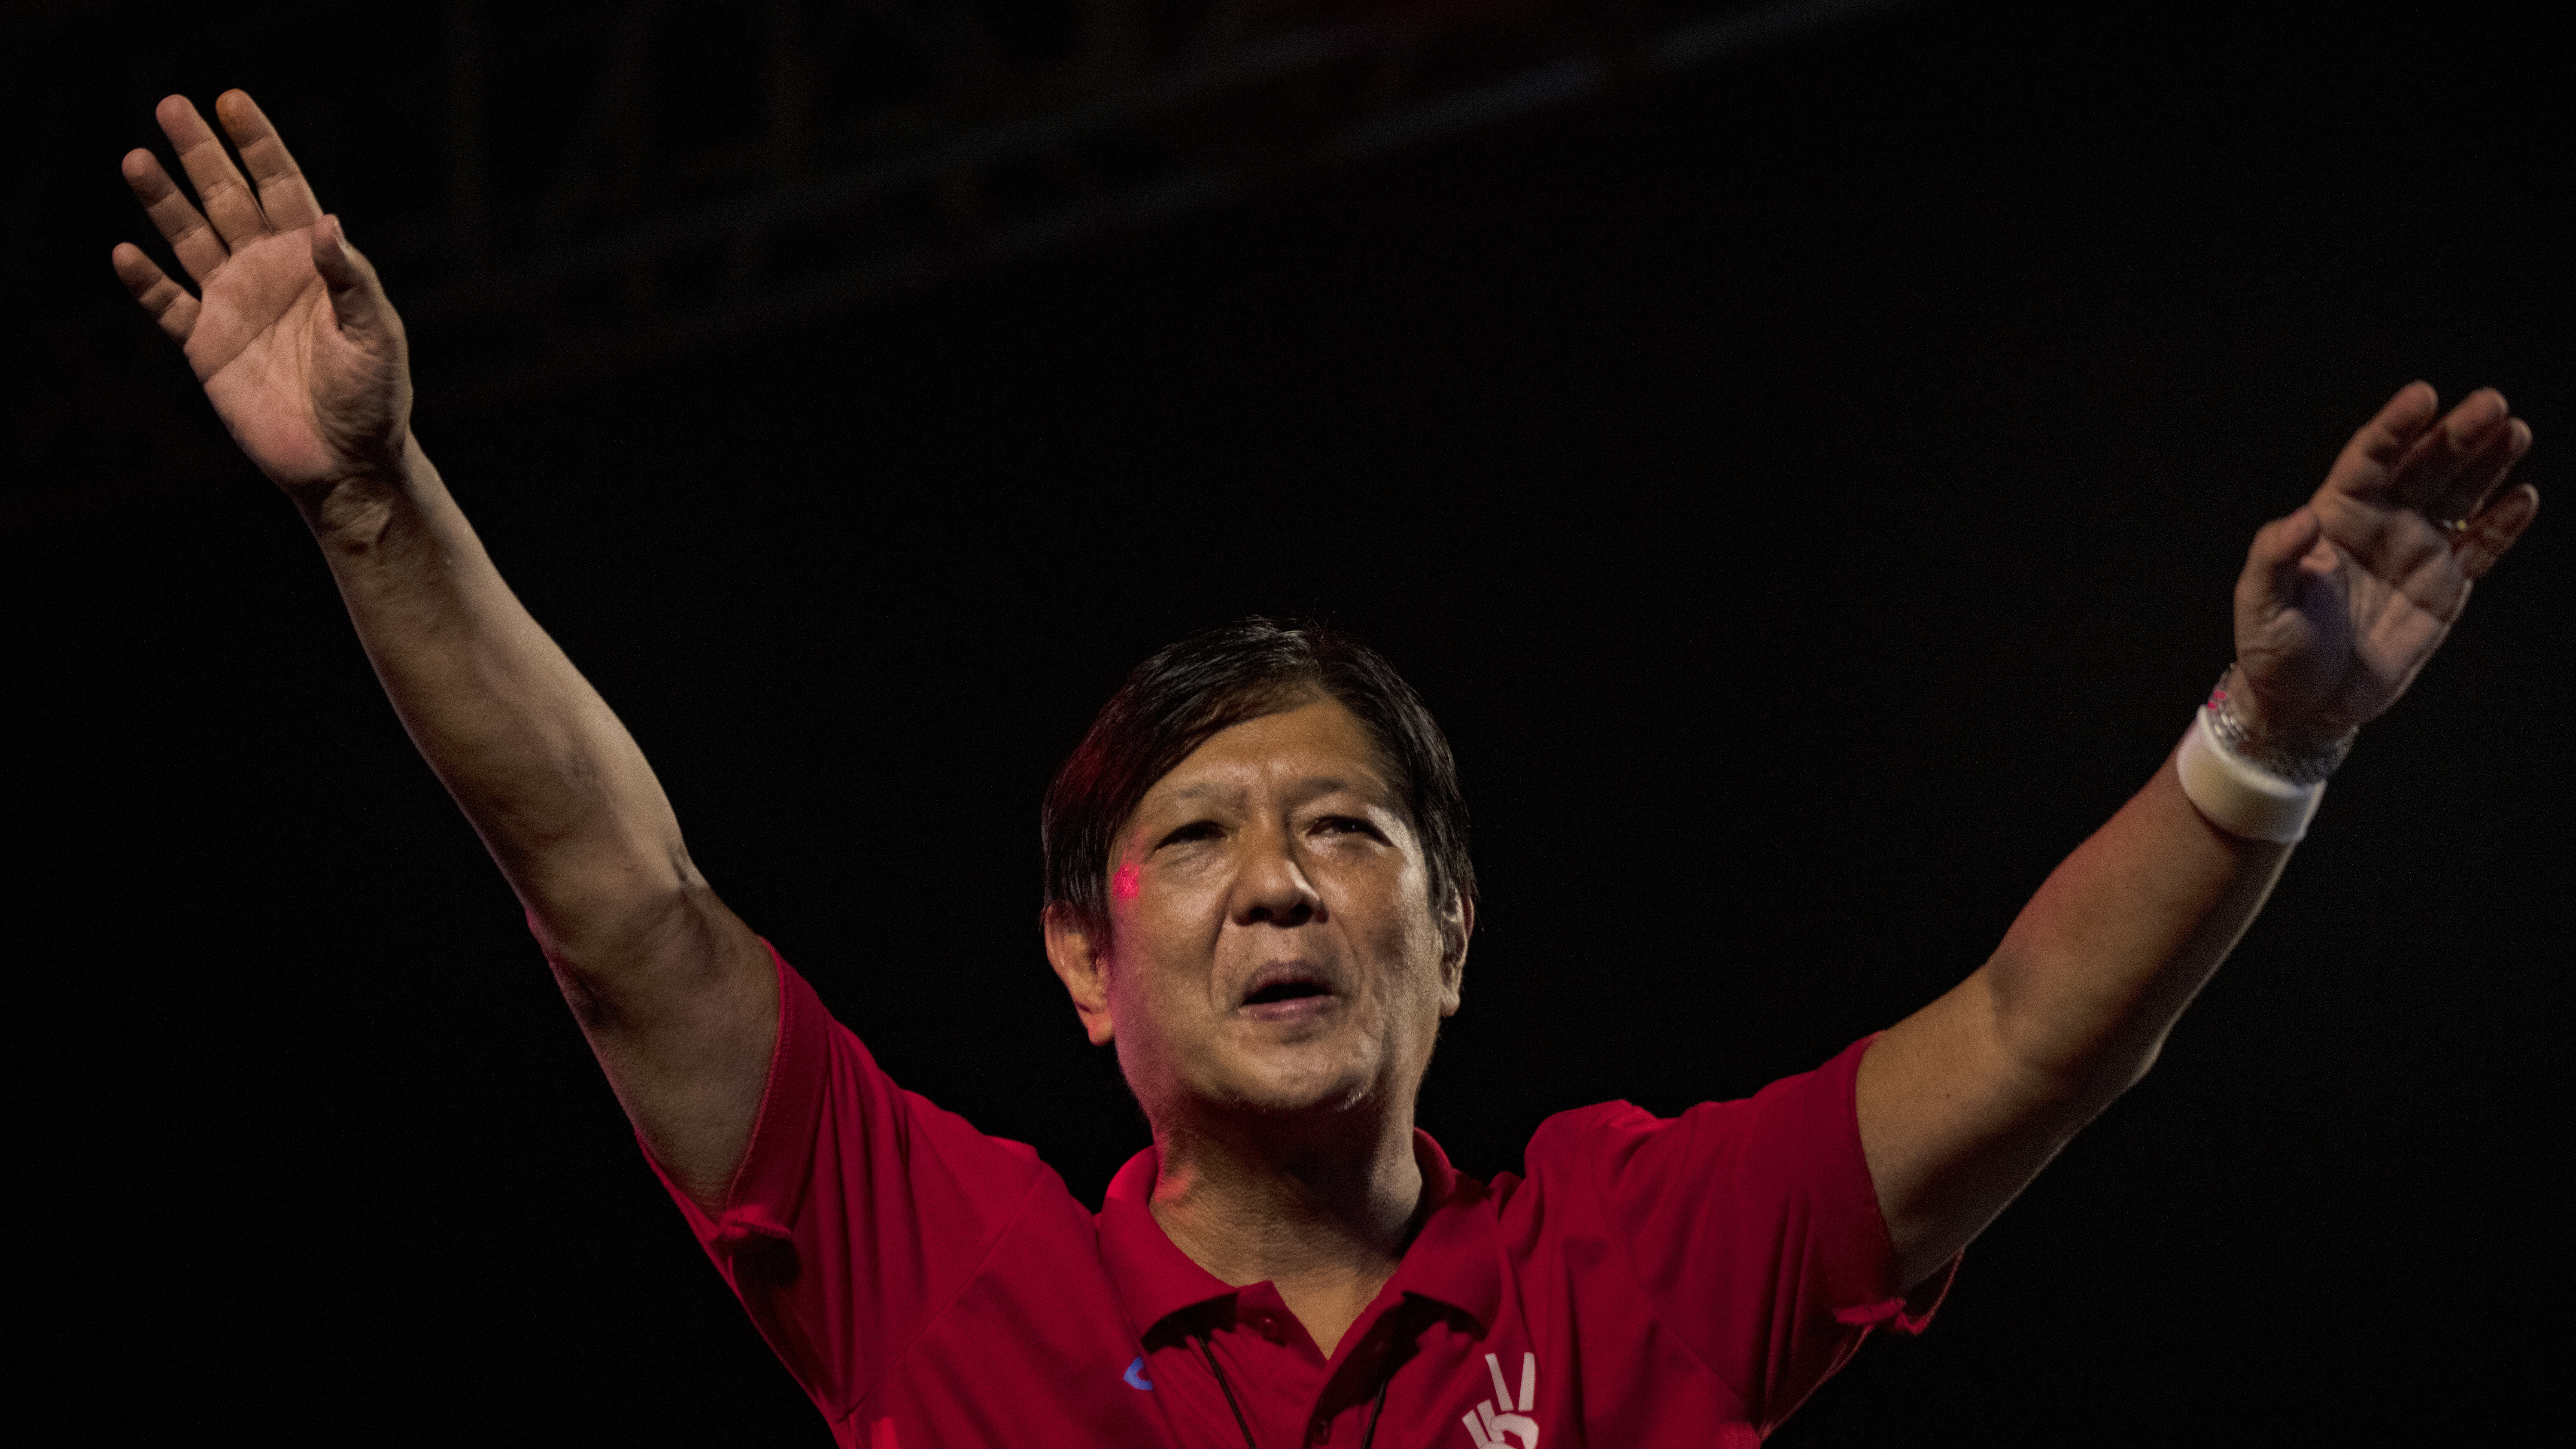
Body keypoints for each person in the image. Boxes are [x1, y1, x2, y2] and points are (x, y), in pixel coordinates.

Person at [111, 91, 2538, 1449]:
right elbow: (618, 896)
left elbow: (2029, 1039)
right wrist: (372, 501)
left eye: (1350, 833)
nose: (1280, 885)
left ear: (1451, 944)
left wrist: (2276, 737)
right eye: (1195, 842)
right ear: (1086, 966)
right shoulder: (940, 1281)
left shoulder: (1629, 1272)